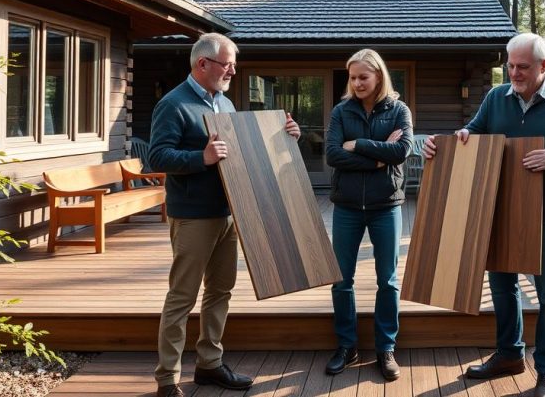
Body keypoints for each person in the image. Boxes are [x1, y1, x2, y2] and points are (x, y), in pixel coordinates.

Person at [423, 33, 545, 397]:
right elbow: (474, 131)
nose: (514, 73)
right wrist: (457, 136)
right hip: (499, 206)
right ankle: (509, 355)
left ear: (544, 67)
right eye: (510, 65)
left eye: (522, 67)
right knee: (503, 287)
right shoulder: (495, 98)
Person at [148, 32, 301, 397]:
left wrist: (284, 137)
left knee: (220, 292)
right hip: (194, 217)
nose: (233, 70)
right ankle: (167, 379)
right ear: (203, 64)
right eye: (227, 63)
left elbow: (241, 153)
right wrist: (200, 158)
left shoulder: (226, 105)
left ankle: (209, 365)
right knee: (182, 297)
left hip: (230, 213)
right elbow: (157, 157)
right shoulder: (174, 104)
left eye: (233, 63)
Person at [324, 49, 413, 382]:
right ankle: (346, 346)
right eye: (353, 77)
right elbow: (332, 154)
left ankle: (385, 348)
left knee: (387, 281)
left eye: (364, 76)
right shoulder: (341, 110)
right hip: (347, 206)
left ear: (378, 76)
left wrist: (357, 143)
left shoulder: (398, 110)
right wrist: (378, 156)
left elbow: (401, 151)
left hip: (385, 205)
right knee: (341, 280)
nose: (357, 83)